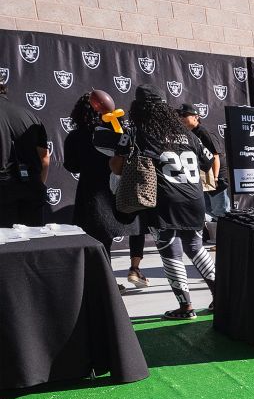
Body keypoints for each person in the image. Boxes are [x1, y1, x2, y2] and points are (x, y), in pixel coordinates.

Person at [110, 86, 215, 319]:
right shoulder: (187, 133)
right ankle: (222, 297)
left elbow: (116, 166)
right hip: (194, 198)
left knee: (170, 251)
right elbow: (208, 162)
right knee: (196, 247)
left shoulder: (138, 131)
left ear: (137, 108)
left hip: (166, 199)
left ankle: (185, 307)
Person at [62, 94, 138, 260]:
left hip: (92, 194)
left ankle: (105, 283)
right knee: (106, 241)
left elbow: (71, 165)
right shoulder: (121, 132)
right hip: (119, 191)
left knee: (97, 241)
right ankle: (111, 280)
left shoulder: (76, 136)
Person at [0, 82, 50, 227]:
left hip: (3, 194)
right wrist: (37, 183)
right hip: (32, 191)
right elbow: (45, 158)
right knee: (32, 246)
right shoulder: (30, 115)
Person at [177, 103, 229, 220]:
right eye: (180, 115)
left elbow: (216, 156)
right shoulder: (188, 134)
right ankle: (213, 237)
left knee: (220, 211)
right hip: (203, 176)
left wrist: (215, 178)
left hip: (216, 176)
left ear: (196, 117)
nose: (181, 118)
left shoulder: (203, 132)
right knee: (207, 211)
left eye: (185, 115)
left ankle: (226, 236)